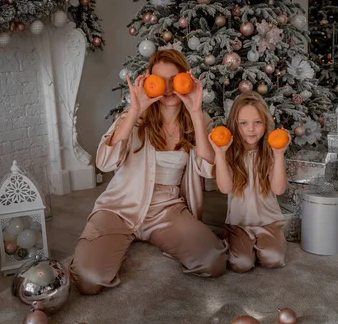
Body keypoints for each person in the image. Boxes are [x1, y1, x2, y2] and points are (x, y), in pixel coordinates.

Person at [70, 49, 228, 295]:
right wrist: (134, 111)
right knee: (88, 279)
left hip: (168, 209)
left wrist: (197, 113)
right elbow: (104, 162)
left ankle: (155, 238)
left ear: (185, 78)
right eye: (159, 80)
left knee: (213, 261)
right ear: (148, 81)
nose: (166, 88)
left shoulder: (198, 117)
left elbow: (208, 169)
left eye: (173, 79)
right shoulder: (134, 115)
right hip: (120, 207)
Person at [210, 92, 289, 273]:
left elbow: (278, 189)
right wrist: (220, 155)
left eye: (257, 122)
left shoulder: (270, 150)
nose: (251, 129)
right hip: (240, 222)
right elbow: (225, 188)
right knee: (241, 264)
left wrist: (279, 155)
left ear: (265, 122)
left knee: (273, 259)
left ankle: (266, 242)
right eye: (243, 123)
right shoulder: (229, 152)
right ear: (235, 125)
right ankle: (233, 237)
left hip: (268, 221)